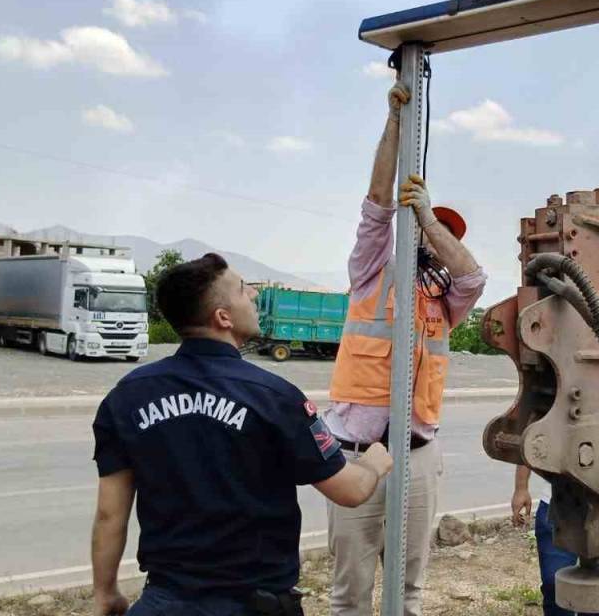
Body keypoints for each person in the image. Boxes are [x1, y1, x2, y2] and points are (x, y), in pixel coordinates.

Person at [89, 253, 393, 616]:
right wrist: (373, 462)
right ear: (223, 317)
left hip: (165, 601)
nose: (252, 293)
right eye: (241, 289)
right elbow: (350, 489)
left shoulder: (126, 396)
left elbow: (110, 514)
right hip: (254, 603)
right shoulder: (274, 397)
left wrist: (105, 593)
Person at [322, 81, 487, 616]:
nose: (431, 245)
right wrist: (395, 123)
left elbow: (474, 276)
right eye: (420, 231)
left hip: (416, 456)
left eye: (438, 238)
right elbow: (374, 206)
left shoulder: (445, 300)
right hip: (355, 455)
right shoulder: (372, 275)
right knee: (350, 593)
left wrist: (432, 219)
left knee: (409, 592)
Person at [511, 466, 591, 616]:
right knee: (554, 585)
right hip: (556, 504)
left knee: (598, 588)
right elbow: (529, 443)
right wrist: (521, 487)